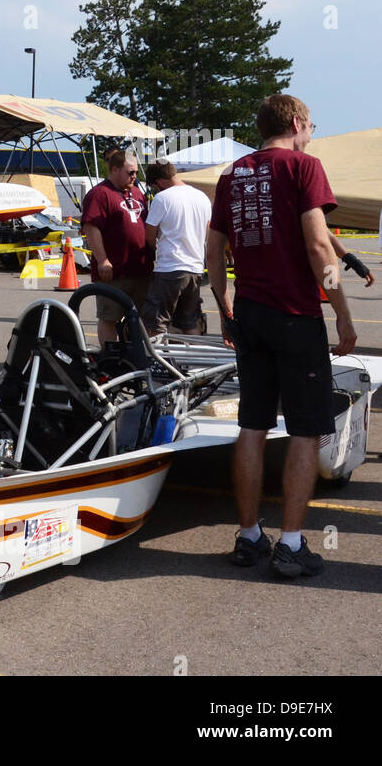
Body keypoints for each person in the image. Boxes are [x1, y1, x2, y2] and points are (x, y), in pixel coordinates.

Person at [206, 94, 355, 578]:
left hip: (249, 312)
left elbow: (215, 248)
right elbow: (317, 244)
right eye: (311, 124)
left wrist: (223, 303)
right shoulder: (302, 167)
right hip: (294, 314)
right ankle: (291, 545)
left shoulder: (232, 175)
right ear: (295, 123)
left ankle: (249, 536)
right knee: (306, 429)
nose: (312, 132)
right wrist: (343, 314)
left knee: (252, 424)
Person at [81, 148, 152, 347]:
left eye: (136, 172)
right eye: (130, 172)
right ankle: (110, 360)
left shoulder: (137, 193)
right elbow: (91, 228)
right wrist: (102, 259)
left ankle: (135, 357)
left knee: (139, 318)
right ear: (114, 169)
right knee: (109, 317)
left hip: (140, 269)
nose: (134, 177)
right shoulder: (99, 194)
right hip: (113, 272)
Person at [141, 161, 211, 336]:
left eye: (155, 186)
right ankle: (192, 361)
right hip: (195, 268)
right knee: (190, 321)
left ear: (160, 181)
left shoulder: (163, 198)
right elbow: (207, 232)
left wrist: (154, 248)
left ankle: (157, 361)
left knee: (156, 321)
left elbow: (149, 235)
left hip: (170, 267)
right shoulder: (201, 197)